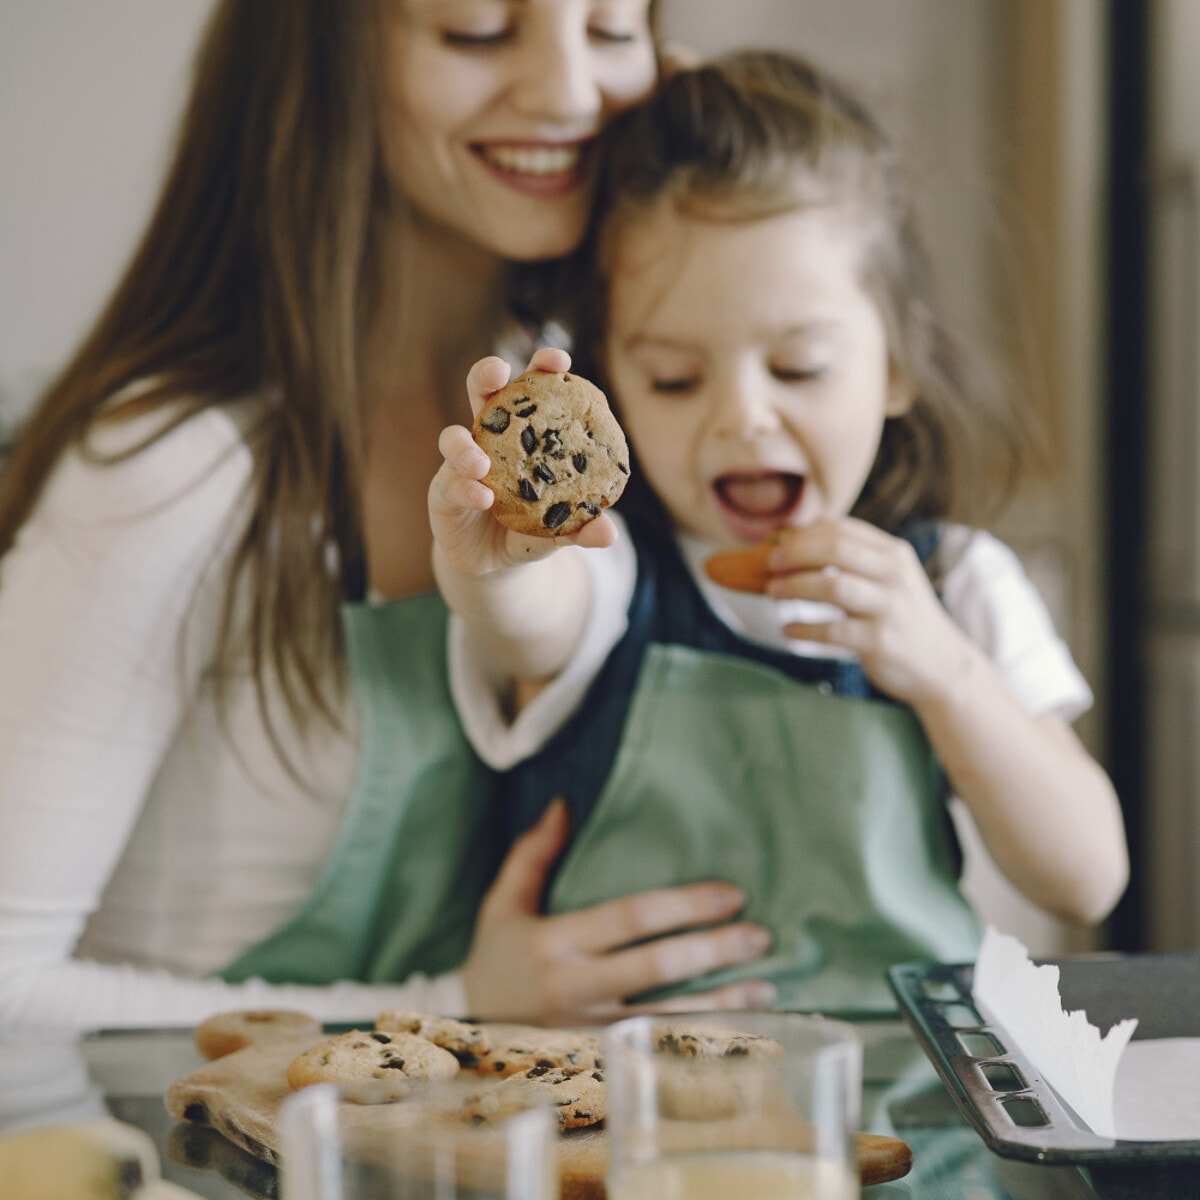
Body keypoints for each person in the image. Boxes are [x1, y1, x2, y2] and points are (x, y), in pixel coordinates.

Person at [0, 1, 777, 1032]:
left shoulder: (603, 400)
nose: (569, 93)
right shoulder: (171, 469)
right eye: (477, 30)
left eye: (610, 28)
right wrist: (448, 1009)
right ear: (316, 62)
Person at [429, 50, 1130, 1011]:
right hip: (627, 1123)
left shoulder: (961, 583)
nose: (744, 417)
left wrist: (945, 670)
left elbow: (1088, 875)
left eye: (799, 368)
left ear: (895, 366)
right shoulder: (614, 569)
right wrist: (497, 560)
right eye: (676, 378)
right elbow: (529, 620)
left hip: (904, 1121)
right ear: (615, 383)